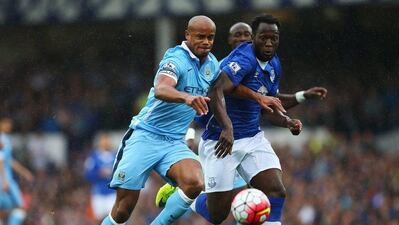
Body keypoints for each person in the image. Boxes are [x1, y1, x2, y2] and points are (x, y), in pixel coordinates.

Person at [155, 20, 328, 216]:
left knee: (274, 191)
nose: (243, 39)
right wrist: (193, 138)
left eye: (246, 35)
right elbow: (204, 106)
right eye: (238, 35)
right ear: (230, 40)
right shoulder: (222, 69)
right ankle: (184, 195)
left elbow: (270, 103)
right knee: (218, 214)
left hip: (252, 138)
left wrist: (291, 114)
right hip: (221, 142)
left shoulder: (272, 65)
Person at [100, 15, 220, 225]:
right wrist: (187, 97)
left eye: (210, 37)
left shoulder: (212, 65)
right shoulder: (176, 59)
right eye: (200, 36)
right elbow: (162, 89)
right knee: (123, 210)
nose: (206, 42)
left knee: (195, 183)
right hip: (145, 135)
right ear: (187, 35)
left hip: (173, 142)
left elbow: (214, 99)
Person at [0, 116, 32, 225]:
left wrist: (23, 171)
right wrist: (4, 180)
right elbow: (0, 159)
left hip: (6, 178)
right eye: (5, 123)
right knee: (21, 207)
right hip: (5, 180)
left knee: (5, 208)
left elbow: (8, 160)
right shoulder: (2, 139)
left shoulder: (6, 139)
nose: (9, 126)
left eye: (10, 123)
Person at [84, 133, 116, 223]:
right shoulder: (94, 157)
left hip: (112, 193)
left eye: (107, 140)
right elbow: (88, 174)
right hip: (98, 193)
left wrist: (112, 173)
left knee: (114, 219)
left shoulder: (115, 156)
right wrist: (99, 173)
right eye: (103, 140)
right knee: (98, 219)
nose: (105, 142)